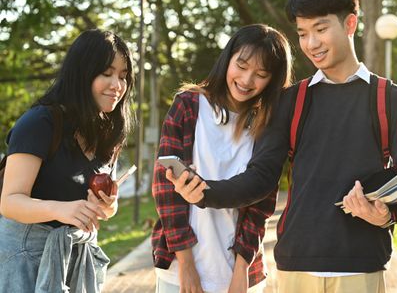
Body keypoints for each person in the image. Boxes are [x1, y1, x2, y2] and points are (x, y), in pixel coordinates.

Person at [171, 0, 397, 293]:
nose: (311, 44)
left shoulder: (391, 98)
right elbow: (261, 177)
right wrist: (207, 192)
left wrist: (387, 213)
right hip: (295, 263)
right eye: (303, 34)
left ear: (349, 24)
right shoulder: (290, 101)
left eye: (320, 29)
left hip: (360, 263)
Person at [151, 24, 292, 293]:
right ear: (227, 59)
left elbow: (261, 204)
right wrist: (187, 268)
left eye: (260, 74)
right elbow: (165, 190)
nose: (247, 80)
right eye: (241, 65)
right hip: (179, 268)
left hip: (238, 271)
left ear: (272, 80)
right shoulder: (189, 105)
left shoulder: (268, 125)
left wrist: (241, 272)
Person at [0, 29, 135, 292]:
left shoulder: (108, 132)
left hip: (74, 257)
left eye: (123, 76)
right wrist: (59, 209)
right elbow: (9, 201)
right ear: (81, 74)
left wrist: (108, 205)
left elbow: (105, 211)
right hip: (24, 258)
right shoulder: (40, 123)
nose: (117, 85)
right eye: (106, 73)